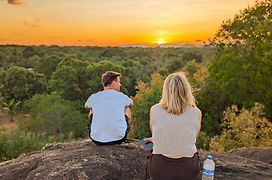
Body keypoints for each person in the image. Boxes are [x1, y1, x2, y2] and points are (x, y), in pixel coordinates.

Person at [144, 72, 202, 180]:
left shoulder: (154, 109)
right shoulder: (196, 112)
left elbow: (155, 131)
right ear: (186, 90)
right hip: (188, 170)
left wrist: (158, 139)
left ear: (165, 90)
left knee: (146, 145)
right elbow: (193, 138)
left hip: (159, 170)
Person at [84, 71, 133, 145]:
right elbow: (131, 103)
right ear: (114, 83)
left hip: (96, 140)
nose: (120, 84)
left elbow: (86, 106)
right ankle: (120, 132)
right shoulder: (121, 96)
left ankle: (99, 132)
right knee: (127, 107)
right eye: (119, 82)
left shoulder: (94, 97)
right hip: (118, 139)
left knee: (92, 109)